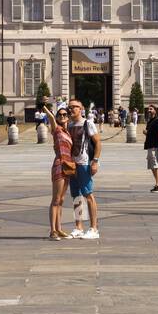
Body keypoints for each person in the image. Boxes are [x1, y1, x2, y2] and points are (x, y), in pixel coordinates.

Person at [66, 99, 100, 239]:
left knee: (88, 195)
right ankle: (79, 227)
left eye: (75, 107)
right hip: (71, 164)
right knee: (76, 196)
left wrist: (95, 162)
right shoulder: (69, 125)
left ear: (81, 109)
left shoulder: (88, 123)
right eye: (70, 107)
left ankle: (94, 228)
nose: (72, 109)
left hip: (84, 163)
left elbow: (98, 143)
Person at [48, 107, 75, 240]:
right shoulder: (56, 129)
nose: (62, 116)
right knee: (56, 199)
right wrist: (43, 105)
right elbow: (51, 118)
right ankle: (52, 231)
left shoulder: (68, 133)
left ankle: (59, 228)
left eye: (65, 114)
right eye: (60, 114)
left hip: (68, 165)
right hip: (59, 164)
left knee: (62, 199)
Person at [143, 105, 158, 192]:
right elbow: (150, 133)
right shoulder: (150, 121)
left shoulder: (157, 121)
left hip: (154, 146)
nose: (149, 110)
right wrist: (146, 133)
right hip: (149, 145)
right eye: (148, 109)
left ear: (155, 111)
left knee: (155, 165)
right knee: (152, 165)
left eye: (151, 109)